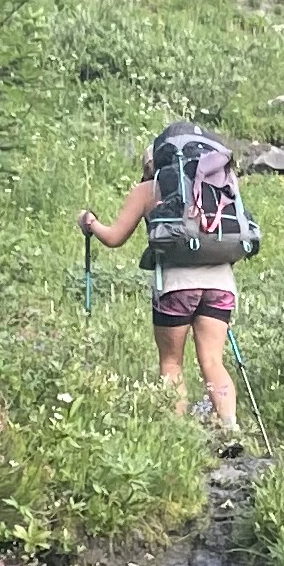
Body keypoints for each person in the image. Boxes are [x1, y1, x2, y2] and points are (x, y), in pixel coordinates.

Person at [83, 129, 244, 445]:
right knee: (212, 360)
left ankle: (178, 436)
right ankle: (230, 430)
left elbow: (114, 238)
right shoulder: (221, 184)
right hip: (221, 283)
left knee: (172, 363)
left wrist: (89, 223)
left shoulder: (147, 189)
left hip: (176, 287)